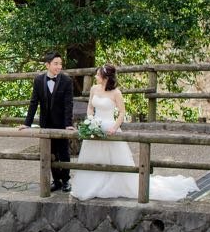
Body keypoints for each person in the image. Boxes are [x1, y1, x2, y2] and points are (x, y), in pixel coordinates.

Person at [69, 64, 199, 201]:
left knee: (113, 159)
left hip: (109, 126)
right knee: (93, 157)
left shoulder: (116, 93)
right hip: (94, 127)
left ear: (105, 77)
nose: (95, 76)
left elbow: (121, 112)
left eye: (98, 75)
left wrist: (114, 127)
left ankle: (111, 186)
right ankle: (91, 185)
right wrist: (90, 120)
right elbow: (90, 107)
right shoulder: (94, 89)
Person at [19, 51, 74, 192]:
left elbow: (69, 104)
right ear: (47, 65)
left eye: (60, 64)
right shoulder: (38, 80)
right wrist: (27, 123)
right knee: (49, 153)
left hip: (62, 124)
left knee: (64, 153)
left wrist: (68, 124)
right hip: (46, 123)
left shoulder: (67, 81)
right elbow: (33, 103)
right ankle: (57, 181)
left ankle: (66, 180)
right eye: (56, 64)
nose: (59, 66)